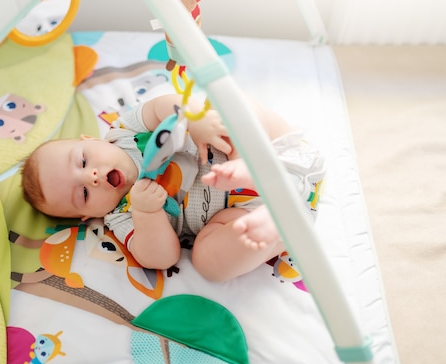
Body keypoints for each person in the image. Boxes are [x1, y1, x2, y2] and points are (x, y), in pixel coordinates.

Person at [21, 93, 325, 282]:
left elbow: (164, 105)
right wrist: (147, 213)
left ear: (91, 140)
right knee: (208, 262)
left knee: (233, 105)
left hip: (269, 149)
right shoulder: (121, 217)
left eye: (84, 161)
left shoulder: (124, 131)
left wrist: (194, 120)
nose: (93, 177)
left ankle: (250, 169)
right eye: (84, 194)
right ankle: (268, 229)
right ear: (87, 218)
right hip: (246, 213)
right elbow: (161, 258)